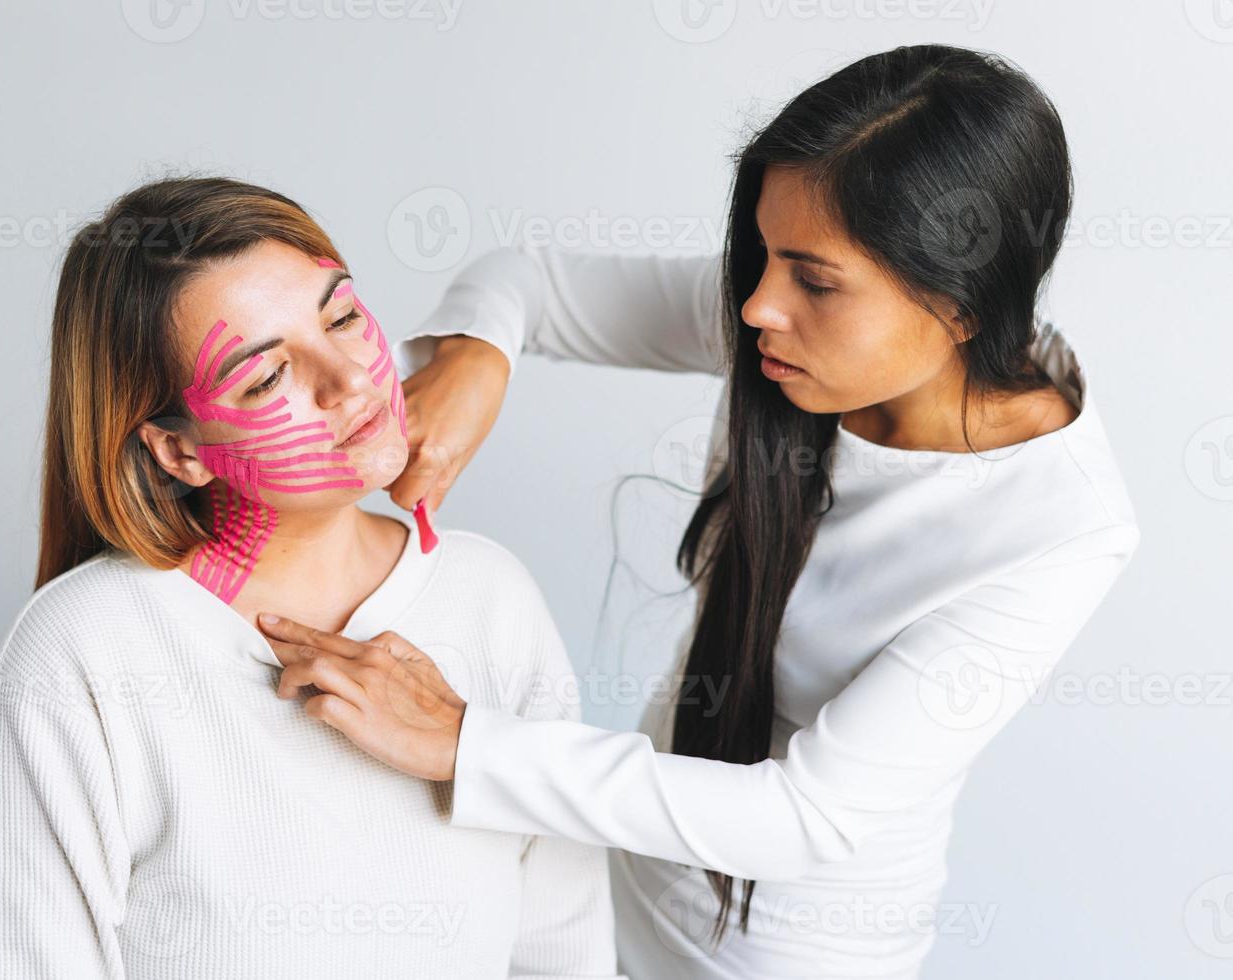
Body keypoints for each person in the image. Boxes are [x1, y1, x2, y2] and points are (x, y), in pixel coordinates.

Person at [255, 45, 1141, 978]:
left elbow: (806, 816)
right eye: (762, 253)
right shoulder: (797, 332)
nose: (756, 304)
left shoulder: (1062, 529)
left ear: (958, 308)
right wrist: (479, 357)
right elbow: (531, 286)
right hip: (608, 891)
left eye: (814, 279)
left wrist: (462, 741)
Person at [0, 177, 621, 980]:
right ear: (179, 450)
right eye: (265, 379)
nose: (351, 380)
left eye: (340, 317)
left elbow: (562, 953)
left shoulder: (491, 597)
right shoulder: (80, 655)